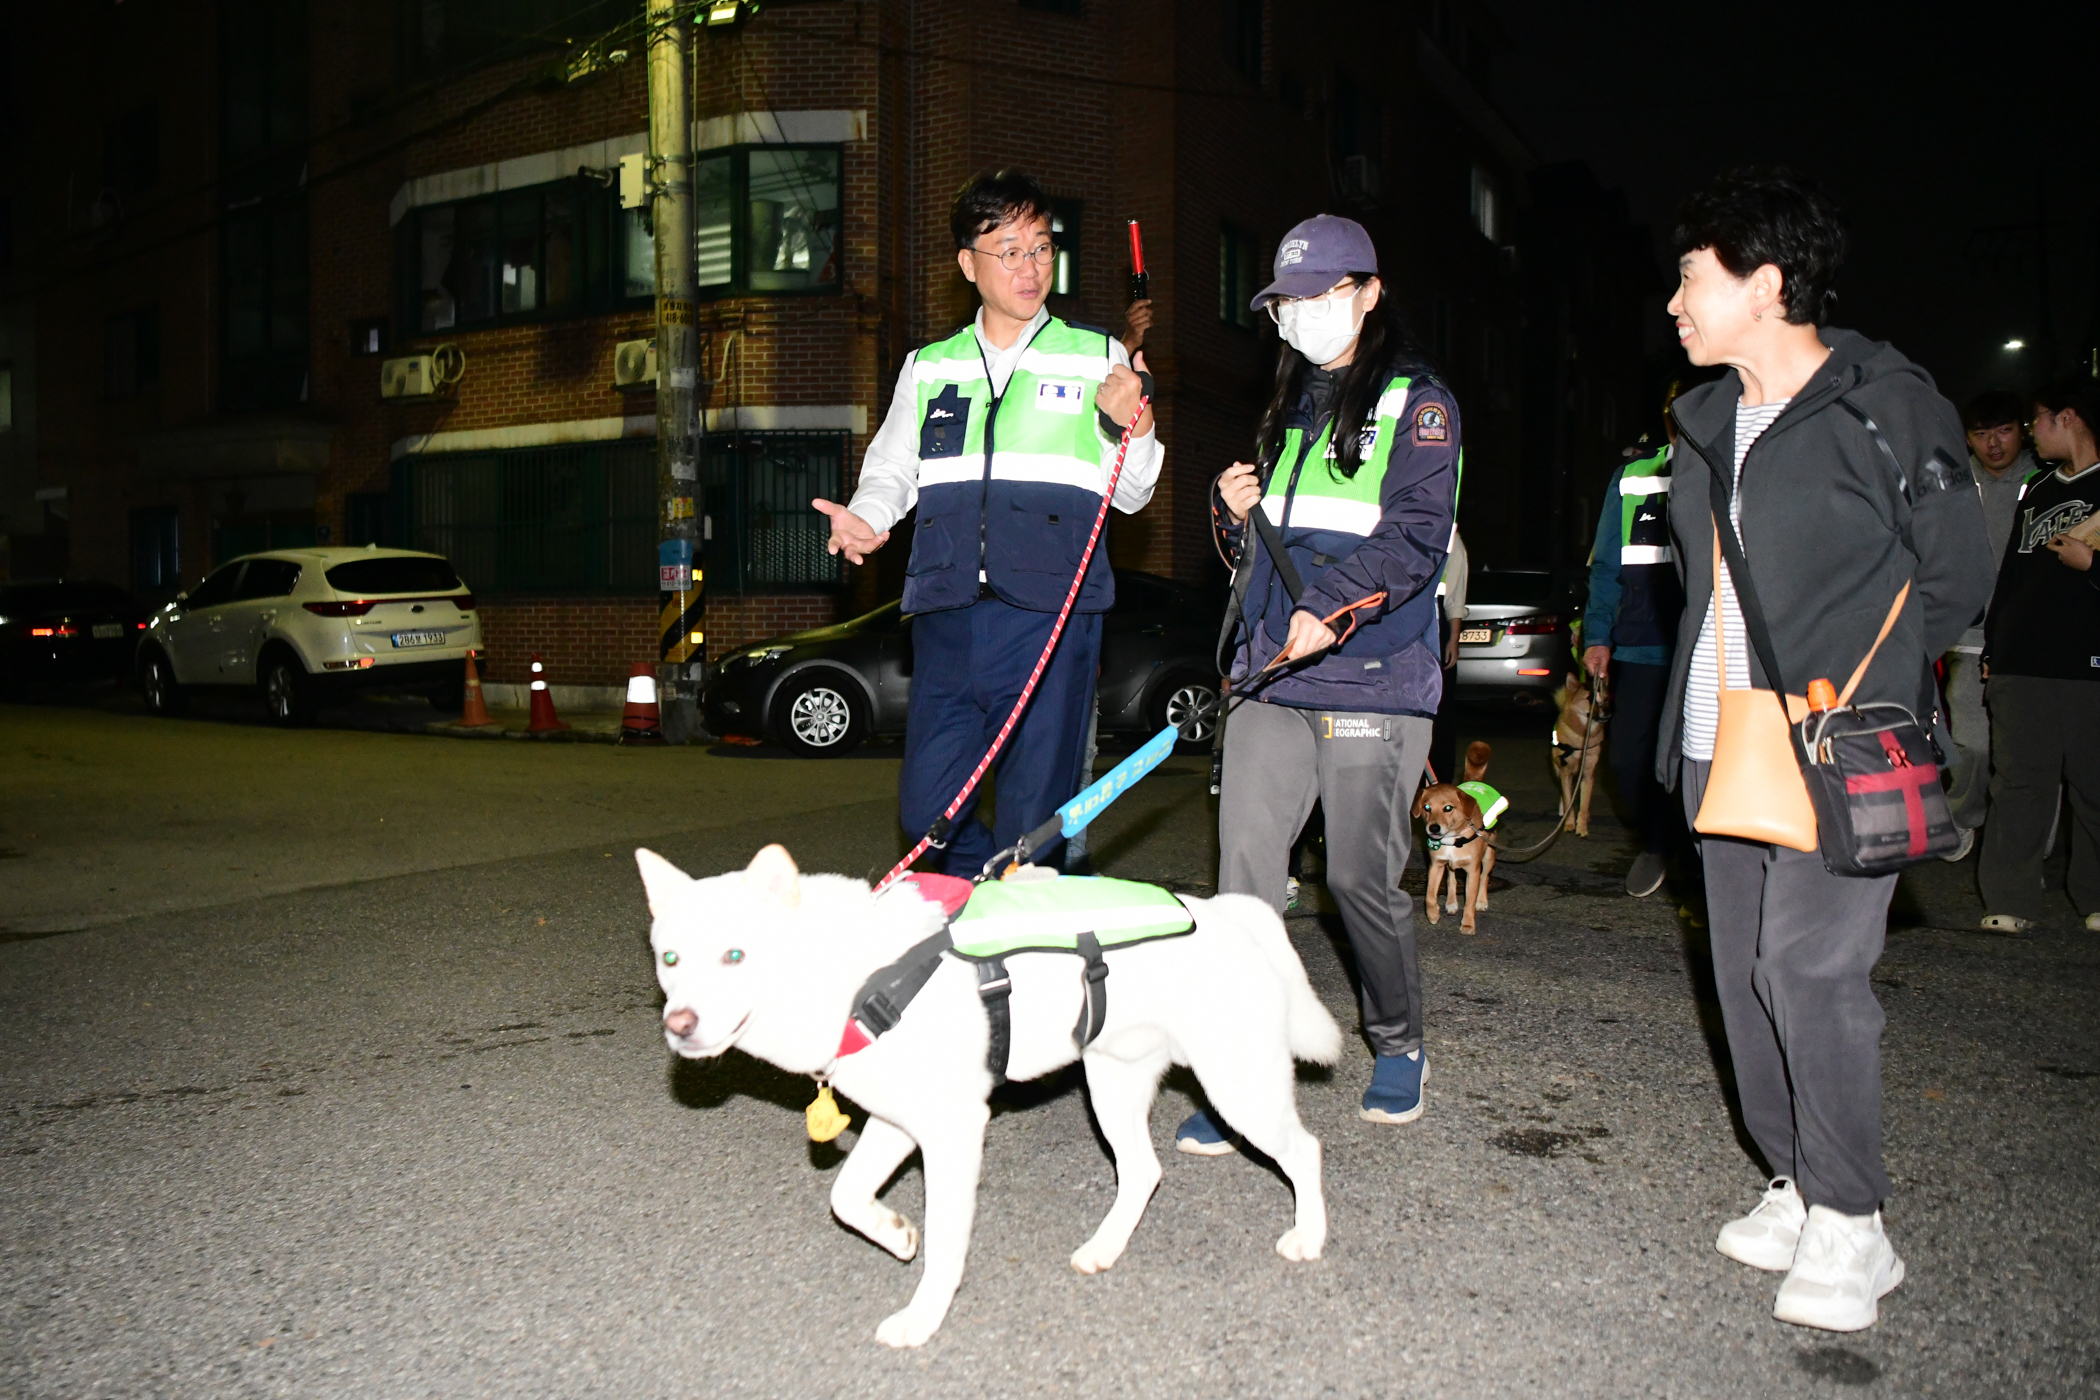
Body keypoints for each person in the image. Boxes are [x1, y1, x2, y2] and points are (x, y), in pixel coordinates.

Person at [1656, 169, 1992, 1333]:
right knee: (1745, 975)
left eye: (1693, 278)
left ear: (1767, 284)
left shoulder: (1886, 401)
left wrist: (1875, 696)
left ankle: (1856, 1221)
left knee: (1810, 969)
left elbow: (1955, 572)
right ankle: (1796, 1179)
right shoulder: (1700, 422)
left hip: (1841, 743)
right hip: (1720, 739)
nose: (1674, 302)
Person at [1180, 214, 1458, 1151]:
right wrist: (1229, 516)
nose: (1299, 317)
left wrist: (1330, 610)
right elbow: (1258, 555)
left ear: (1369, 294)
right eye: (1286, 302)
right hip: (1273, 674)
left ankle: (1397, 1040)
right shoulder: (1288, 409)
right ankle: (1239, 1071)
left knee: (1357, 876)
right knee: (1245, 881)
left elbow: (1415, 539)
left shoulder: (1422, 406)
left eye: (1320, 297)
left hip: (1371, 675)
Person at [813, 170, 1159, 875]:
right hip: (947, 611)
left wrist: (1140, 427)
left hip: (1052, 615)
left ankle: (1026, 949)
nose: (1029, 266)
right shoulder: (930, 366)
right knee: (926, 818)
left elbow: (1133, 494)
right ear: (969, 264)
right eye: (1009, 249)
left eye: (1040, 247)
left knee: (1037, 823)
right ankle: (1003, 897)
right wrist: (869, 518)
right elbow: (891, 469)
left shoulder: (1098, 356)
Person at [1976, 377, 2100, 934]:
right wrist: (1996, 644)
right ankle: (2011, 899)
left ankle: (2094, 897)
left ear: (2068, 418)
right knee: (2019, 781)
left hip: (2088, 660)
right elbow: (2014, 573)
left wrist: (2092, 565)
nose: (2031, 433)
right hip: (2021, 661)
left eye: (2038, 421)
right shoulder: (2037, 487)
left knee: (2094, 782)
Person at [1582, 388, 1690, 897]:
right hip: (1643, 646)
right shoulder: (1632, 476)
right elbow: (1606, 564)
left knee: (1699, 761)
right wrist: (1598, 634)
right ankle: (1655, 840)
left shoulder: (1744, 467)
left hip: (1711, 649)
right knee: (1627, 760)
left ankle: (1697, 858)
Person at [1940, 390, 2043, 854]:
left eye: (2003, 431)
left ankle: (2027, 842)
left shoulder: (2046, 482)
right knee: (1970, 742)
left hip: (2033, 634)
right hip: (1970, 633)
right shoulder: (1954, 483)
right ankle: (1962, 816)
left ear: (2021, 429)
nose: (1994, 444)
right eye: (1981, 435)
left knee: (2032, 748)